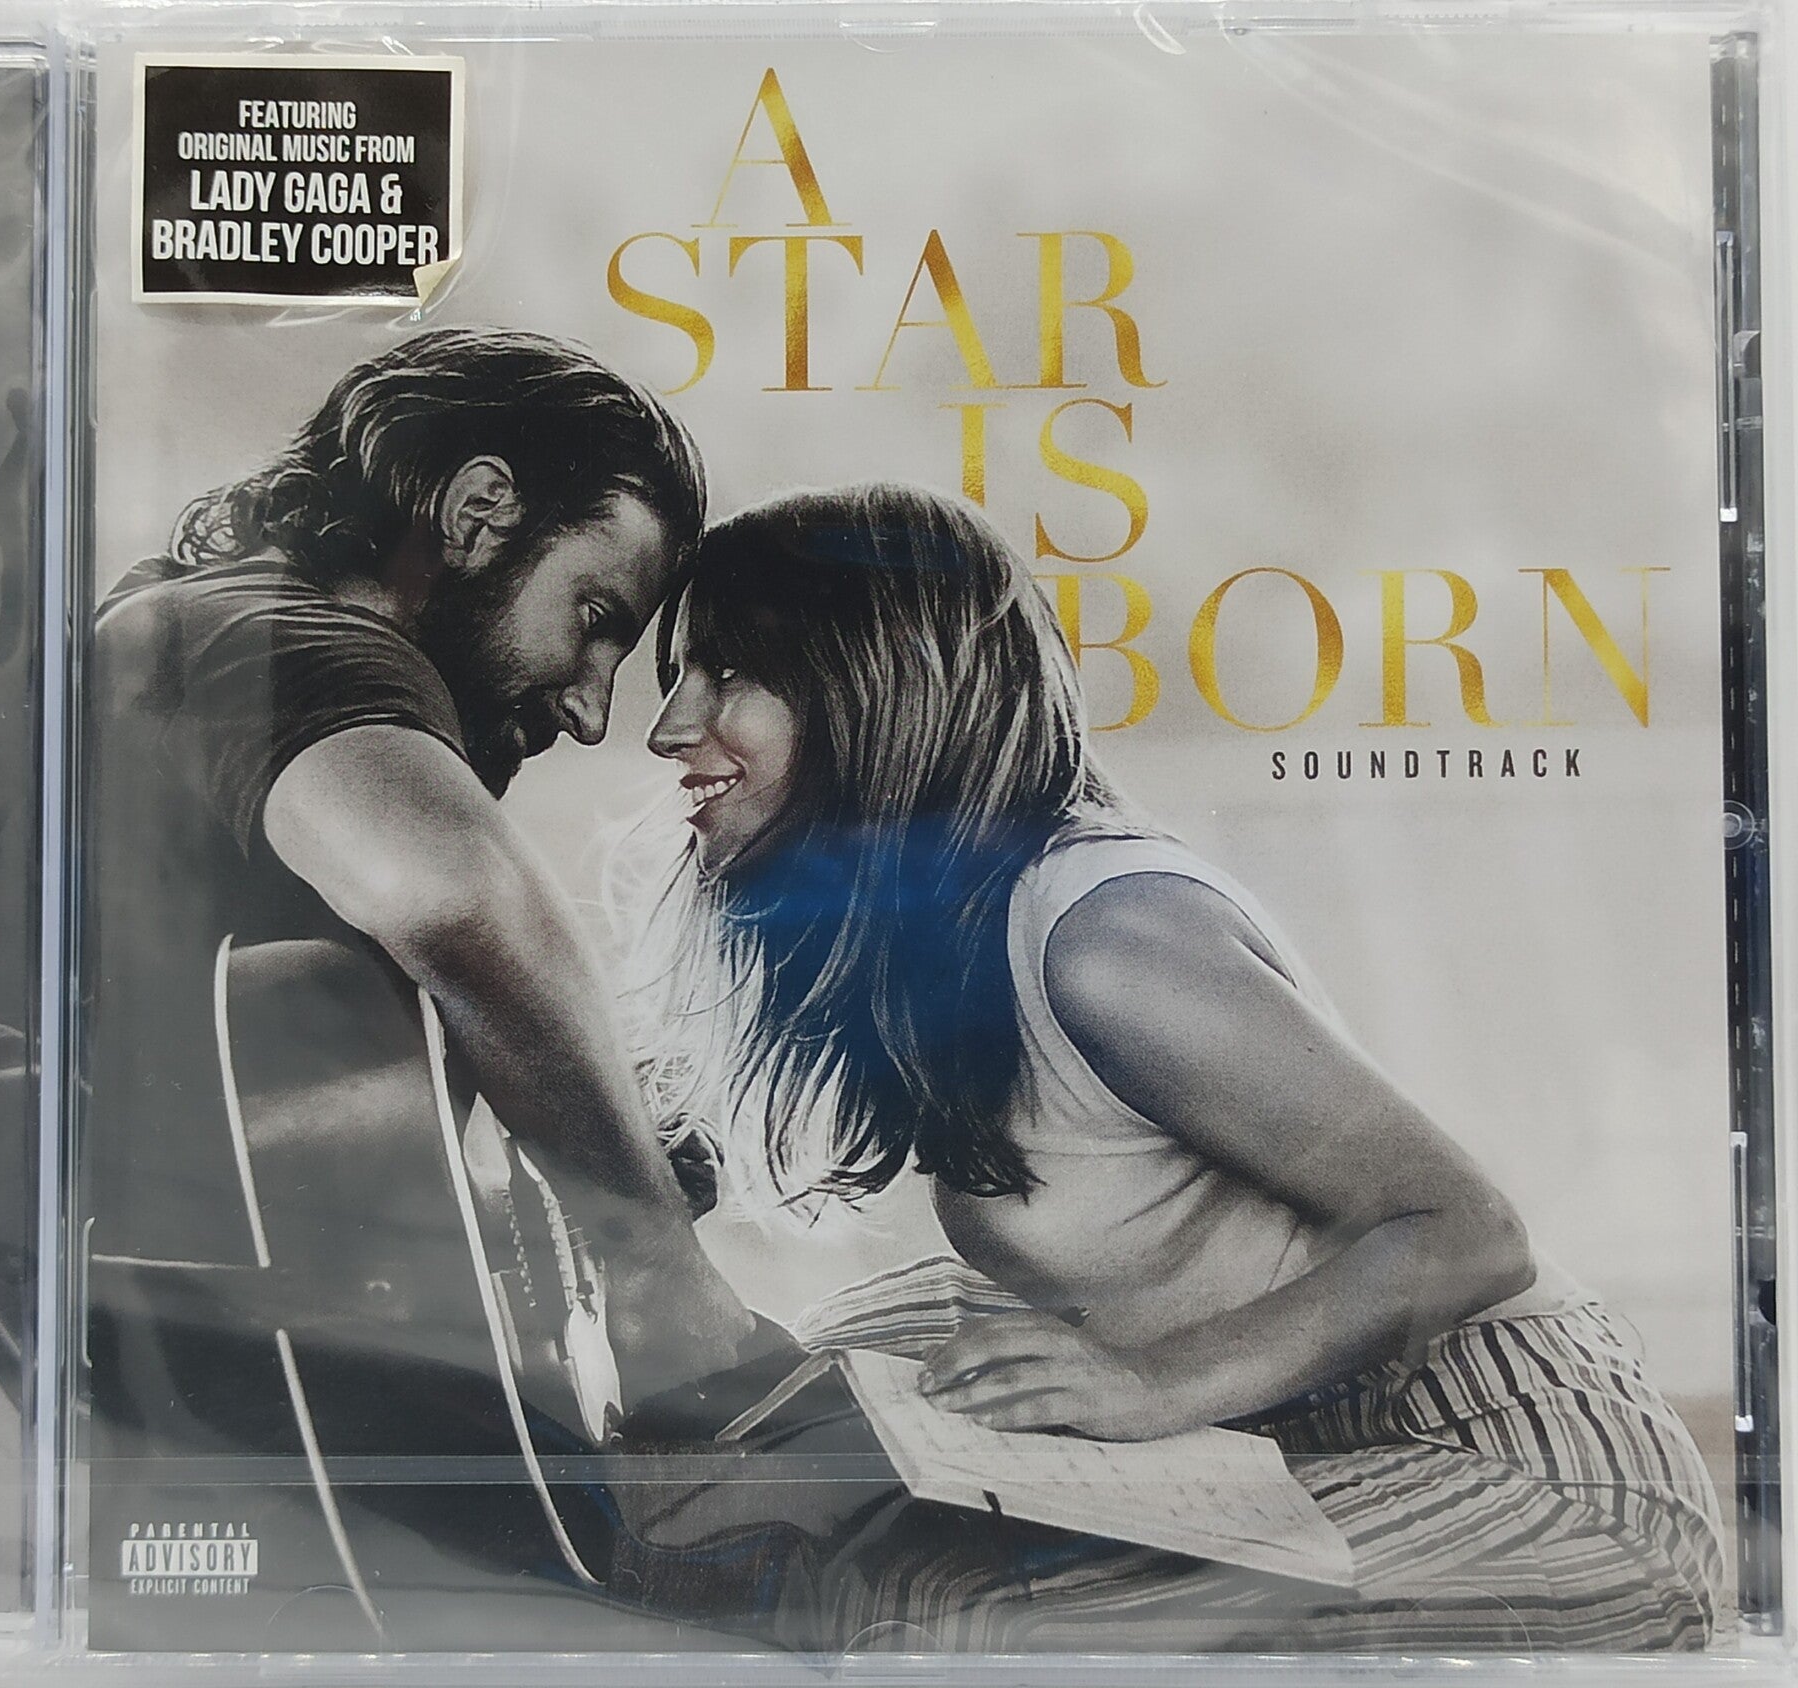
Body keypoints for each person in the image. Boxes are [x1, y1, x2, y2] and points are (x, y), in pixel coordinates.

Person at [625, 480, 1727, 1652]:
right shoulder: (940, 933)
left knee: (953, 1623)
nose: (669, 726)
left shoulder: (1105, 934)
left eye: (728, 672)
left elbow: (1467, 1229)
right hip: (1285, 1443)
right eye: (678, 674)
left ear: (876, 688)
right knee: (794, 1447)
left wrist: (1150, 1383)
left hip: (1531, 1472)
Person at [83, 326, 752, 1417]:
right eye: (594, 621)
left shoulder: (195, 623)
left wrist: (580, 1119)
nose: (591, 711)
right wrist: (655, 1263)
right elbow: (453, 898)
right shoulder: (298, 642)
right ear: (478, 513)